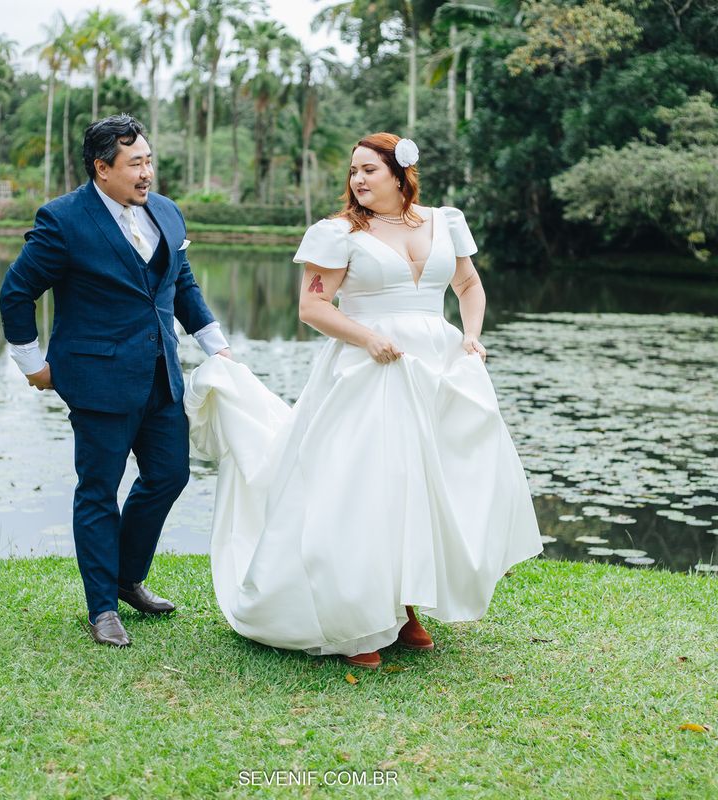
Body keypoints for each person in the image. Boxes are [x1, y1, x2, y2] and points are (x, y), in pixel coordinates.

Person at [186, 132, 543, 669]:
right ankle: (357, 623)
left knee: (425, 486)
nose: (357, 179)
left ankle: (406, 607)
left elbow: (469, 286)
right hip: (367, 368)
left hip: (436, 367)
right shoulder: (336, 233)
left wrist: (471, 336)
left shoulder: (446, 221)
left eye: (368, 170)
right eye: (353, 170)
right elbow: (312, 308)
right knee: (366, 489)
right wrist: (367, 337)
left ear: (400, 175)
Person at [0, 114, 230, 647]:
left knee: (169, 476)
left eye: (149, 161)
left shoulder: (167, 213)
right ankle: (102, 607)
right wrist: (32, 364)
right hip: (97, 380)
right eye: (135, 164)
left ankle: (126, 577)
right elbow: (16, 292)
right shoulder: (62, 220)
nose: (147, 173)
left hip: (161, 377)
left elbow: (182, 284)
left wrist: (216, 344)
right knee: (99, 491)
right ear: (102, 168)